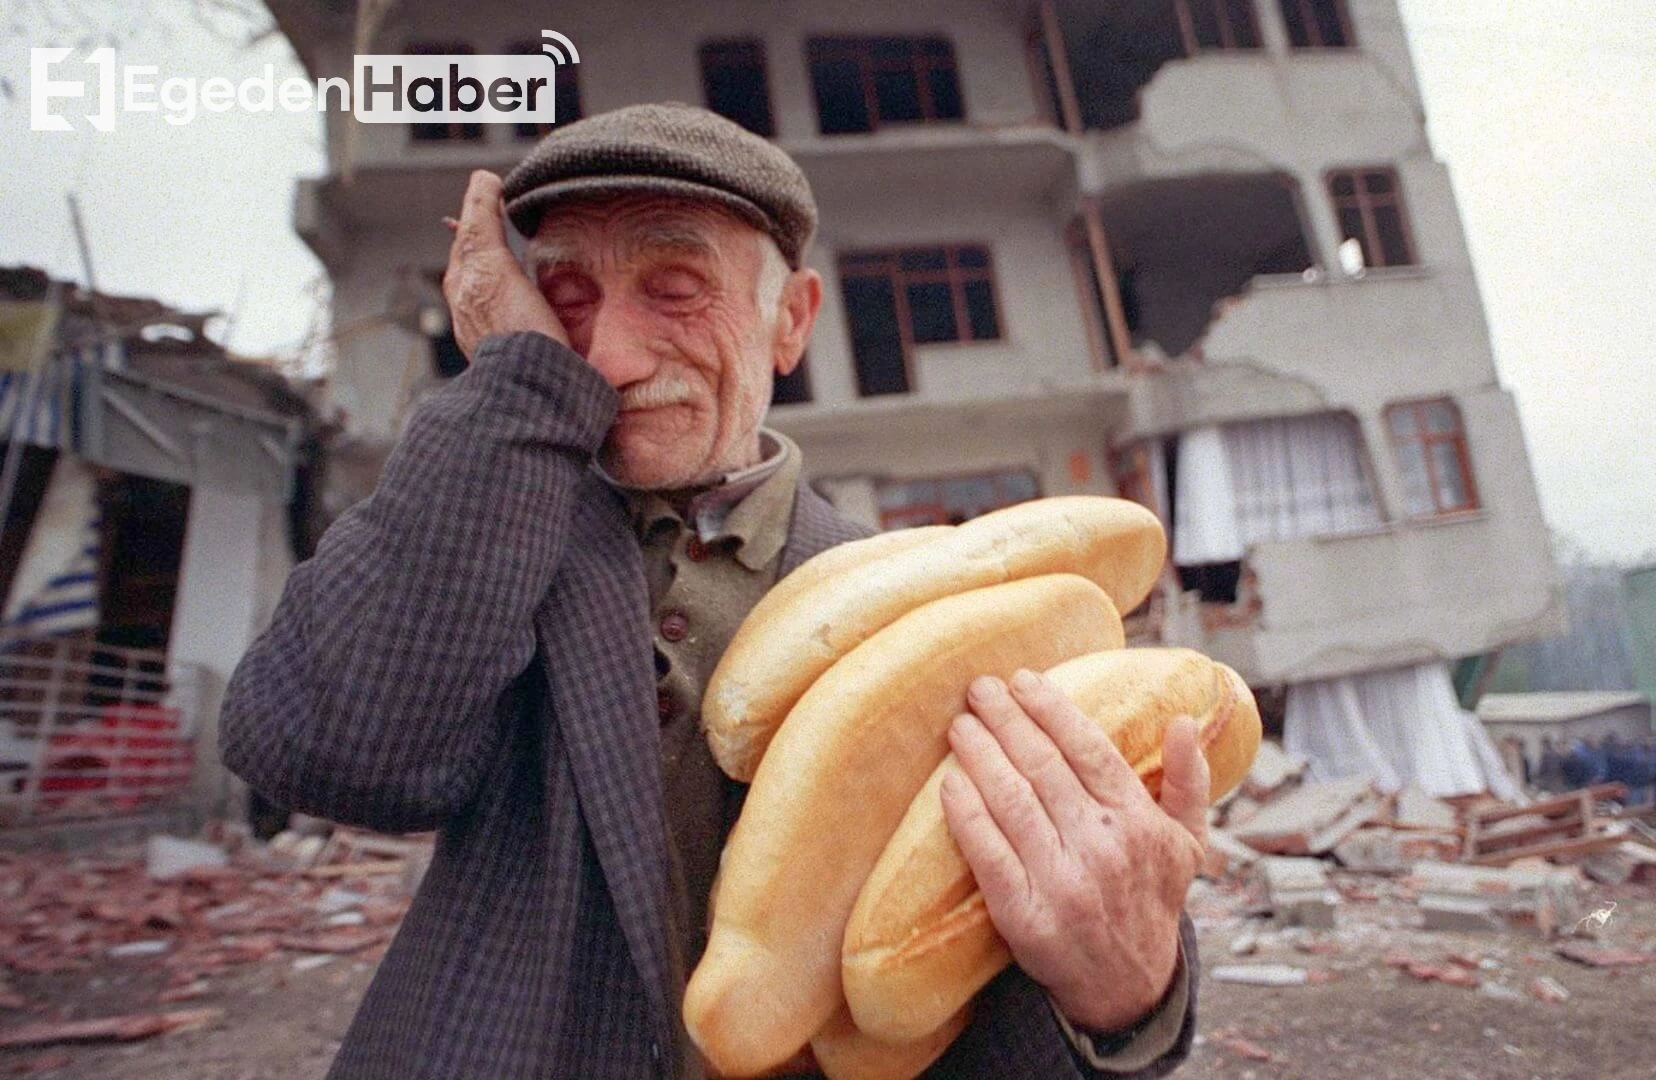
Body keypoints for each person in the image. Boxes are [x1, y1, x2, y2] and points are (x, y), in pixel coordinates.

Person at [220, 104, 1201, 1079]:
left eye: (676, 287)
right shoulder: (486, 545)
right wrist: (517, 386)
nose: (608, 357)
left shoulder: (934, 610)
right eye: (563, 299)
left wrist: (1128, 995)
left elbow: (996, 927)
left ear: (792, 321)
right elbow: (326, 752)